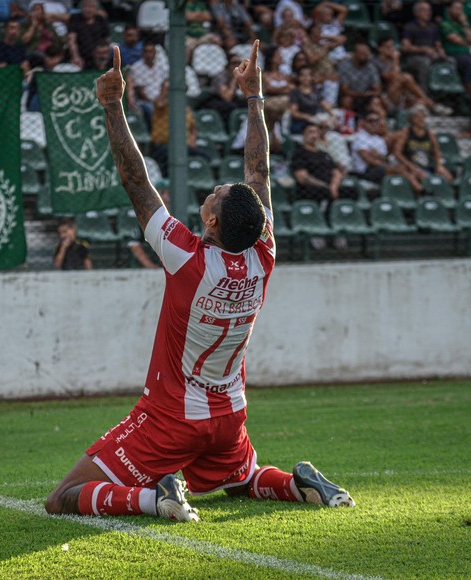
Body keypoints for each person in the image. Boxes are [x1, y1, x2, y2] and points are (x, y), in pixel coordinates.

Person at [45, 40, 355, 523]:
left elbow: (136, 181)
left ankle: (154, 498)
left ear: (211, 220)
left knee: (64, 496)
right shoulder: (263, 252)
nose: (215, 189)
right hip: (229, 414)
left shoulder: (187, 257)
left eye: (216, 193)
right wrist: (254, 96)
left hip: (172, 417)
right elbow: (259, 171)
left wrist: (112, 105)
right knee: (242, 480)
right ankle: (295, 484)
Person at [391, 104, 454, 183]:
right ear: (412, 119)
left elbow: (436, 151)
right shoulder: (406, 133)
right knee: (424, 177)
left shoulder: (430, 133)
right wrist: (410, 166)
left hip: (428, 165)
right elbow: (397, 153)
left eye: (423, 117)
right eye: (418, 117)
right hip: (412, 166)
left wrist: (439, 166)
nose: (421, 119)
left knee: (448, 177)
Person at [440, 0, 471, 105]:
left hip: (467, 53)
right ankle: (470, 89)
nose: (459, 12)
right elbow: (458, 41)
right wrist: (466, 41)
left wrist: (465, 23)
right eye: (456, 9)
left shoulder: (462, 25)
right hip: (453, 53)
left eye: (460, 9)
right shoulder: (445, 23)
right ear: (449, 9)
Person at [291, 123, 345, 202]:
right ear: (303, 135)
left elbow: (336, 172)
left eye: (316, 132)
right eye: (310, 132)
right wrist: (325, 186)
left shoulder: (324, 154)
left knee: (351, 191)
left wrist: (333, 187)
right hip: (311, 189)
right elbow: (302, 178)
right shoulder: (299, 153)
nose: (314, 135)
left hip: (330, 188)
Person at [400, 1, 446, 93]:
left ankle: (446, 91)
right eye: (424, 10)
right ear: (417, 13)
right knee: (425, 62)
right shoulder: (410, 27)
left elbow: (438, 44)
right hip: (413, 57)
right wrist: (424, 50)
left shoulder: (433, 27)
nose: (428, 13)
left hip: (431, 55)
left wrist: (441, 52)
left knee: (451, 61)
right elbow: (406, 47)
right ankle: (424, 93)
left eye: (429, 10)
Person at [128, 179, 171, 269]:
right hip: (153, 266)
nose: (166, 198)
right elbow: (134, 244)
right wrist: (150, 266)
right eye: (162, 193)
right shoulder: (145, 217)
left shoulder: (185, 216)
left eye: (169, 193)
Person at [337, 41, 382, 114]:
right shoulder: (344, 66)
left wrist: (368, 94)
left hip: (367, 97)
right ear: (355, 54)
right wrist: (362, 94)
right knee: (347, 100)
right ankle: (348, 120)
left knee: (376, 101)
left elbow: (377, 89)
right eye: (362, 54)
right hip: (352, 96)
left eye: (367, 54)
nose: (365, 56)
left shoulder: (371, 67)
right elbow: (345, 90)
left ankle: (377, 120)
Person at [66, 0, 108, 69]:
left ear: (96, 9)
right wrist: (76, 57)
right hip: (80, 56)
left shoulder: (100, 20)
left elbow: (106, 40)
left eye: (92, 7)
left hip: (97, 56)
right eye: (86, 6)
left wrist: (102, 58)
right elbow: (72, 40)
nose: (89, 10)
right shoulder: (75, 18)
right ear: (82, 8)